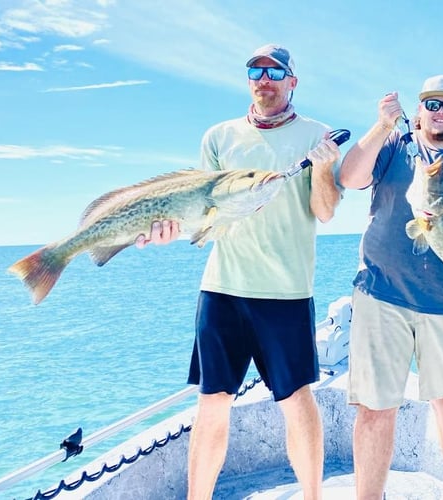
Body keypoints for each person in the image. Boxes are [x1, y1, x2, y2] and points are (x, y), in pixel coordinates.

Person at [136, 44, 342, 499]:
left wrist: (325, 169)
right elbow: (202, 214)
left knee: (297, 402)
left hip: (286, 292)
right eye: (255, 71)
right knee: (212, 404)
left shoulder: (317, 134)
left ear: (292, 81)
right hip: (222, 289)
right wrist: (170, 230)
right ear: (248, 79)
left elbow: (325, 212)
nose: (264, 79)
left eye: (275, 72)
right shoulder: (218, 136)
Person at [338, 75, 443, 500]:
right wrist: (381, 125)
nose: (439, 111)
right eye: (431, 103)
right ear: (418, 110)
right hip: (381, 294)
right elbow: (349, 177)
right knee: (376, 409)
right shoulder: (394, 146)